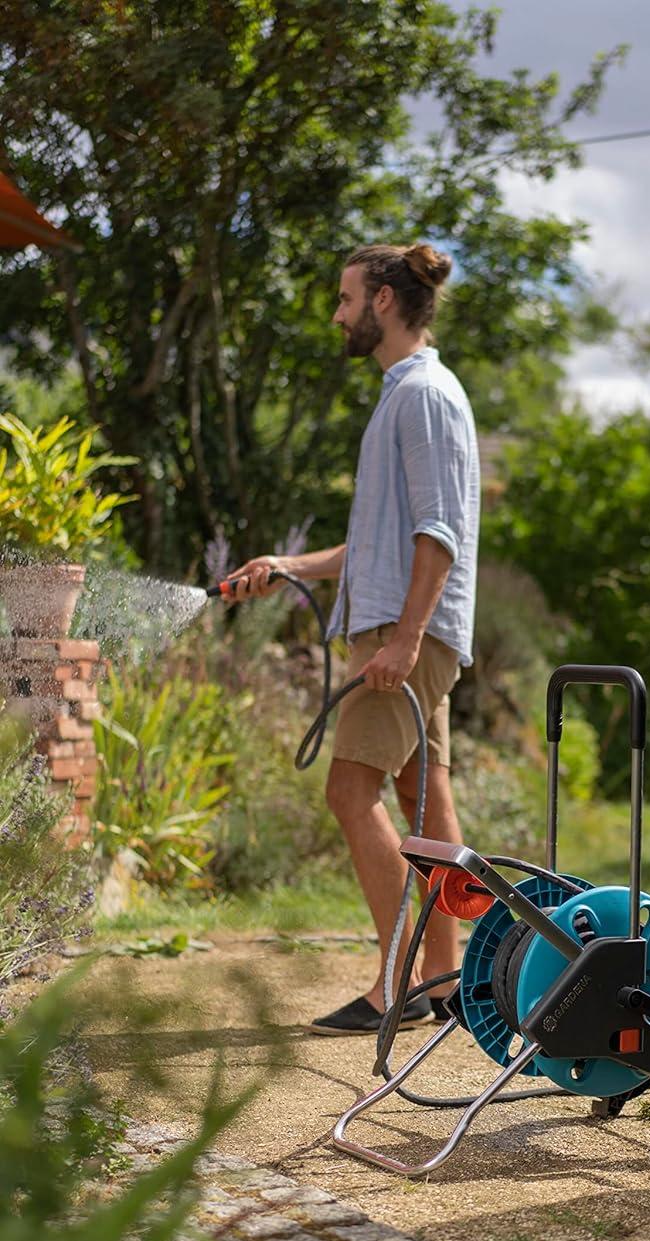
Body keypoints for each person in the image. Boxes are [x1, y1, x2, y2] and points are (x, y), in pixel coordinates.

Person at [222, 242, 480, 1035]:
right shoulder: (402, 395)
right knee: (421, 800)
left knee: (348, 790)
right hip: (399, 629)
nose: (336, 314)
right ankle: (444, 983)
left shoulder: (424, 396)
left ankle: (393, 983)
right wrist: (288, 563)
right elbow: (378, 544)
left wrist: (403, 642)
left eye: (344, 299)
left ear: (385, 303)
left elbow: (438, 533)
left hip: (406, 636)